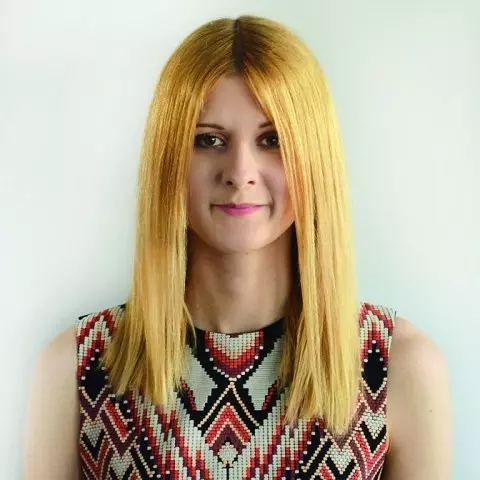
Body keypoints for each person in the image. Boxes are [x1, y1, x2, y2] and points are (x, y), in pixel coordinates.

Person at [23, 15, 452, 480]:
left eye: (272, 140)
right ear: (169, 160)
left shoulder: (397, 365)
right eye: (209, 140)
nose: (240, 171)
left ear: (315, 158)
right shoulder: (77, 368)